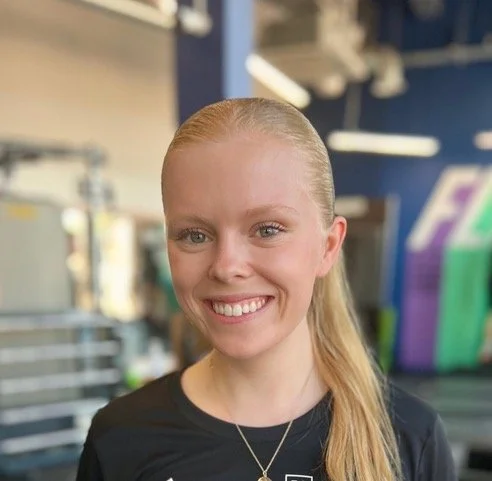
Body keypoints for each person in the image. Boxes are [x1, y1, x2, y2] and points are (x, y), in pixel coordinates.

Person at [76, 98, 457, 481]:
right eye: (195, 235)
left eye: (267, 230)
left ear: (328, 247)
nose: (226, 266)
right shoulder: (121, 439)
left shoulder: (409, 439)